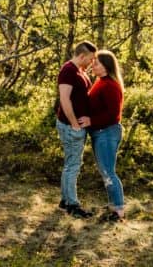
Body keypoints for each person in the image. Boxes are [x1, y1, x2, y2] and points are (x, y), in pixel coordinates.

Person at [79, 49, 125, 222]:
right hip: (101, 133)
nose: (93, 65)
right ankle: (114, 205)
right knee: (105, 171)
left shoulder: (111, 85)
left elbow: (113, 115)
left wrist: (91, 121)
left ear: (106, 66)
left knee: (108, 172)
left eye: (96, 63)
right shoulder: (100, 82)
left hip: (107, 132)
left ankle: (118, 210)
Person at [56, 40, 97, 218]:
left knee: (70, 164)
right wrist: (74, 123)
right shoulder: (68, 70)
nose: (92, 62)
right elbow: (65, 99)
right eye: (90, 58)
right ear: (81, 56)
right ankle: (73, 205)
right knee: (73, 166)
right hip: (70, 125)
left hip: (75, 125)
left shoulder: (79, 71)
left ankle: (65, 201)